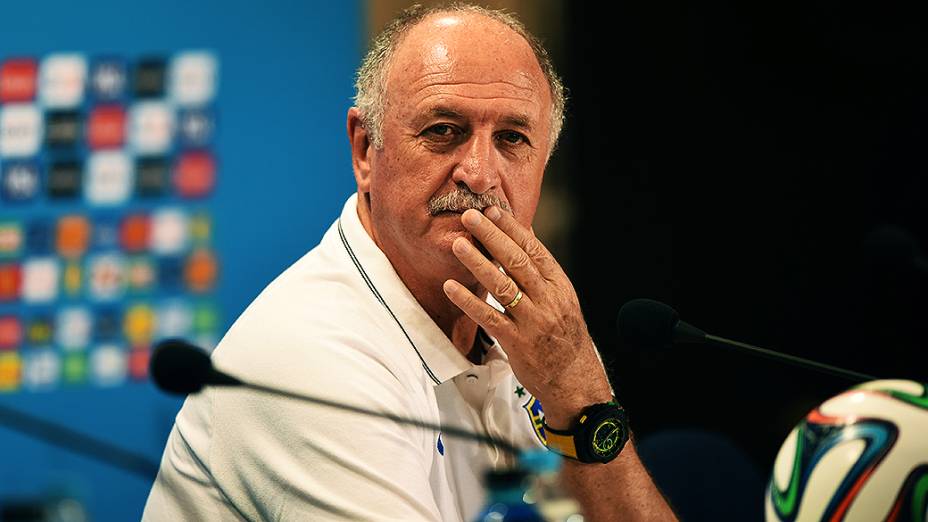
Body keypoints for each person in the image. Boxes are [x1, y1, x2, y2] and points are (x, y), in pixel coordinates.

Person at [143, 4, 677, 521]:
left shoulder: (540, 325)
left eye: (512, 138)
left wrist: (577, 390)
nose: (479, 173)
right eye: (444, 130)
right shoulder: (310, 355)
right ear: (364, 150)